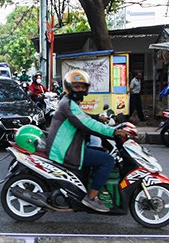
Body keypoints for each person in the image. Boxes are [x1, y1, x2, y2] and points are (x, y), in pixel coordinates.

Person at [45, 69, 130, 213]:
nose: (80, 90)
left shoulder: (69, 102)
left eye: (83, 87)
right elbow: (86, 124)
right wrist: (113, 132)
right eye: (77, 86)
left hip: (69, 145)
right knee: (107, 160)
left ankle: (89, 186)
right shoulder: (68, 104)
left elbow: (82, 116)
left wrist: (98, 117)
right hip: (66, 150)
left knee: (102, 152)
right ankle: (91, 198)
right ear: (68, 87)